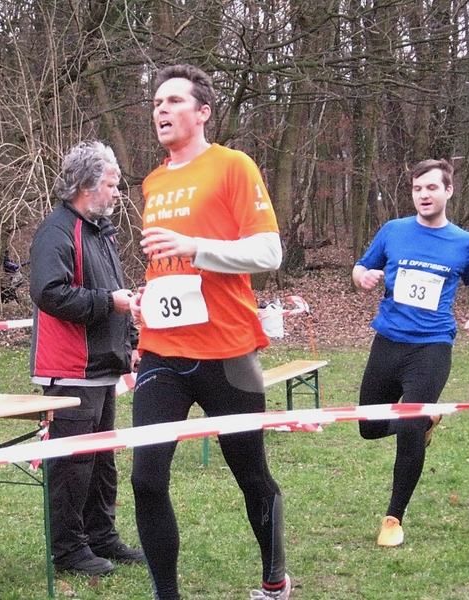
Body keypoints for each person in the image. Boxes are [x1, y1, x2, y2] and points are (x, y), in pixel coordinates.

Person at [129, 64, 291, 600]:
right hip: (163, 351)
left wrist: (196, 247)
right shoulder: (153, 182)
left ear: (202, 113)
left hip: (227, 351)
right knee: (146, 479)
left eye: (174, 100)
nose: (162, 109)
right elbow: (165, 266)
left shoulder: (232, 166)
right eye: (157, 102)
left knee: (251, 475)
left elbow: (268, 251)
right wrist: (148, 299)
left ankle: (274, 581)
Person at [352, 158, 469, 547]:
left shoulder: (464, 243)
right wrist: (363, 277)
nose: (424, 195)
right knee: (368, 427)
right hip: (388, 342)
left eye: (431, 188)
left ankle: (393, 518)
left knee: (409, 428)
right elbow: (361, 267)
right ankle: (425, 419)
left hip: (432, 346)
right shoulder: (393, 231)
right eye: (417, 189)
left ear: (448, 191)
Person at [29, 141, 144, 576]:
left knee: (101, 461)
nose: (117, 193)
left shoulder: (102, 232)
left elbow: (117, 292)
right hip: (70, 370)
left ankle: (102, 536)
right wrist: (108, 303)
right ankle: (68, 550)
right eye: (111, 185)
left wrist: (131, 341)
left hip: (104, 367)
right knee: (72, 465)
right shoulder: (56, 231)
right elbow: (49, 293)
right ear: (86, 186)